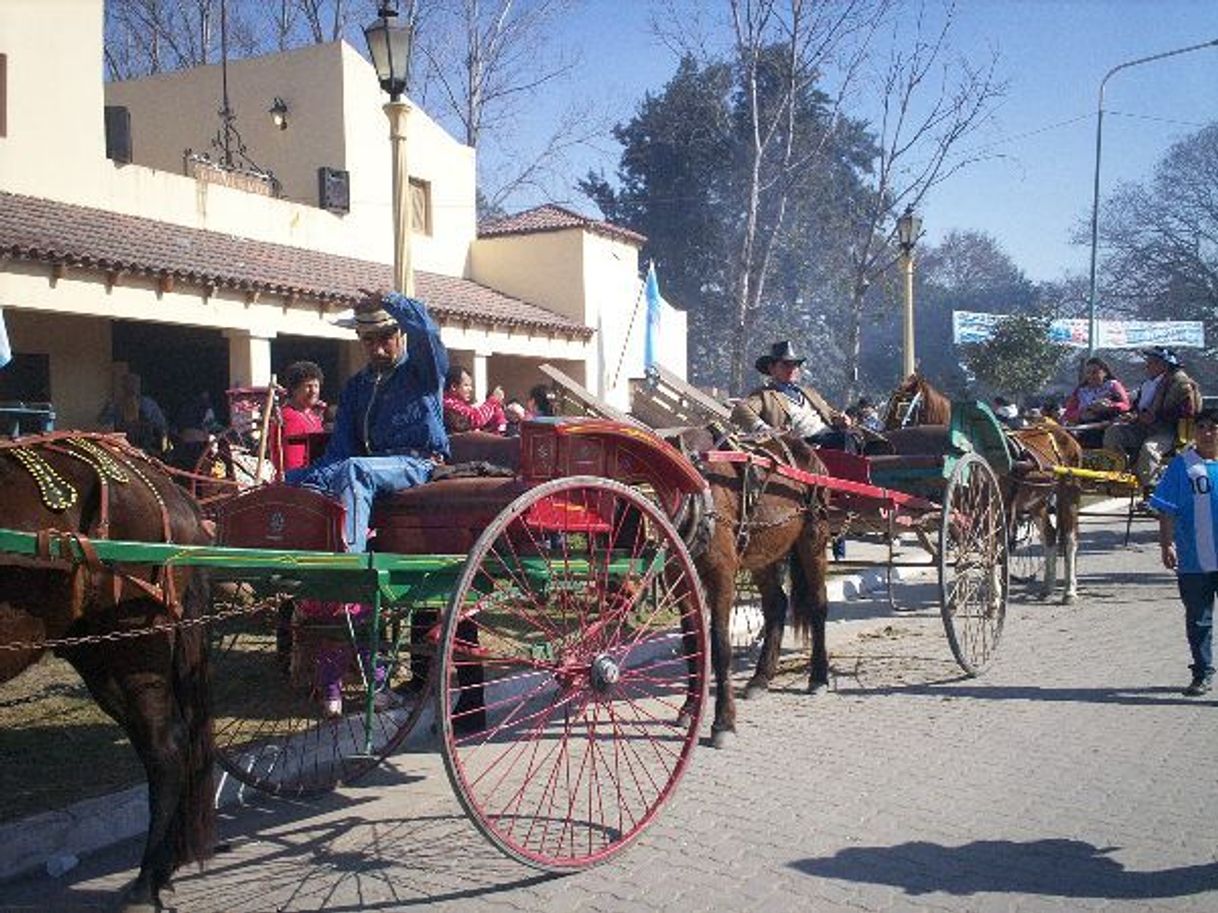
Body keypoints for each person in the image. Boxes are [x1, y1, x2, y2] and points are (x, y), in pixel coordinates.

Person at [287, 291, 448, 553]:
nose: (378, 349)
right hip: (372, 466)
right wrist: (304, 482)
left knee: (354, 470)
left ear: (400, 335)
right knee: (296, 481)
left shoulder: (422, 372)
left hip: (419, 464)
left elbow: (427, 333)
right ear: (360, 339)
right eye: (369, 340)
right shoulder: (356, 387)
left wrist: (393, 302)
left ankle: (348, 563)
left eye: (386, 339)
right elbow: (341, 451)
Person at [1149, 406, 1218, 696]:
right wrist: (1167, 544)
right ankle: (1202, 673)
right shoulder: (1182, 466)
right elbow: (1166, 510)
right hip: (1194, 560)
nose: (1207, 432)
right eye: (1201, 427)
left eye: (1213, 427)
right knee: (1198, 619)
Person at [731, 340, 859, 453]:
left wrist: (841, 420)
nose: (792, 368)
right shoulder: (764, 395)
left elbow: (832, 415)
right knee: (844, 440)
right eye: (786, 364)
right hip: (802, 447)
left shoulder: (810, 393)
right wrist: (763, 428)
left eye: (795, 364)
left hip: (831, 438)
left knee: (861, 440)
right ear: (772, 368)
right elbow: (741, 410)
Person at [1102, 347, 1201, 489]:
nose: (1146, 366)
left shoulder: (1181, 384)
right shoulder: (1148, 383)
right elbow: (1138, 407)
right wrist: (1131, 415)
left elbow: (1188, 412)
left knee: (1149, 450)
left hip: (1168, 431)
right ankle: (1121, 472)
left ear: (1163, 365)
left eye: (1151, 363)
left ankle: (1151, 491)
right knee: (1113, 432)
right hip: (1143, 427)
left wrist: (1155, 417)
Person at [271, 361, 326, 475]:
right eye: (308, 386)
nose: (314, 391)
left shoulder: (313, 417)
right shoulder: (289, 417)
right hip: (300, 483)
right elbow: (293, 464)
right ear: (294, 390)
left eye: (316, 386)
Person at [1063, 357, 1130, 447]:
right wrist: (1082, 414)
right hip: (1084, 425)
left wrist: (1110, 406)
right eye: (1088, 373)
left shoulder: (1112, 385)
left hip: (1105, 424)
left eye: (1095, 372)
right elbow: (1068, 413)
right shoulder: (1080, 390)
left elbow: (1126, 406)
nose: (1091, 376)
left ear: (1104, 373)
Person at [99, 372, 169, 457]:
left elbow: (162, 427)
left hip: (146, 448)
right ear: (123, 386)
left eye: (135, 383)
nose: (132, 386)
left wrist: (164, 450)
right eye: (128, 383)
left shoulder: (148, 404)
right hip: (123, 446)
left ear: (139, 386)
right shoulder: (116, 404)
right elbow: (102, 421)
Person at [442, 364, 506, 434]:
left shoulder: (458, 404)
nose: (470, 389)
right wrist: (492, 401)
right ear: (454, 387)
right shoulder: (449, 403)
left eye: (470, 385)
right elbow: (476, 418)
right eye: (466, 385)